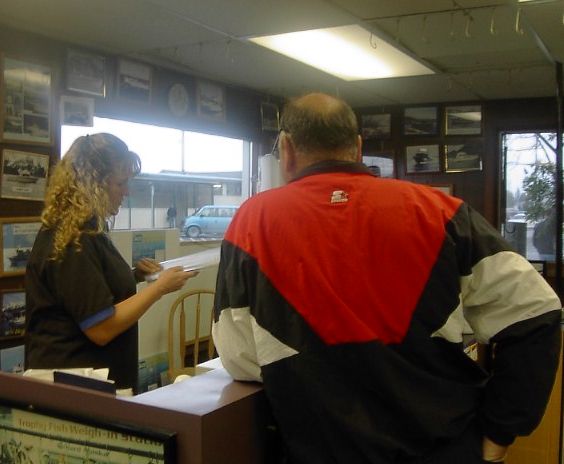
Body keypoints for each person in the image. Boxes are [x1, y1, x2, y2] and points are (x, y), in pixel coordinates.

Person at [212, 93, 562, 463]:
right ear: (358, 147)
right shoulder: (440, 211)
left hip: (321, 448)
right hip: (444, 446)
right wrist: (500, 429)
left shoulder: (251, 222)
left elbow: (238, 355)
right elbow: (536, 312)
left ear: (285, 149)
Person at [25, 133, 197, 394]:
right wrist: (159, 287)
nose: (126, 192)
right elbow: (100, 327)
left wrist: (135, 276)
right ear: (93, 185)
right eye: (120, 183)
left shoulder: (88, 230)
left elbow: (87, 293)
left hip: (96, 381)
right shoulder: (73, 239)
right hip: (76, 387)